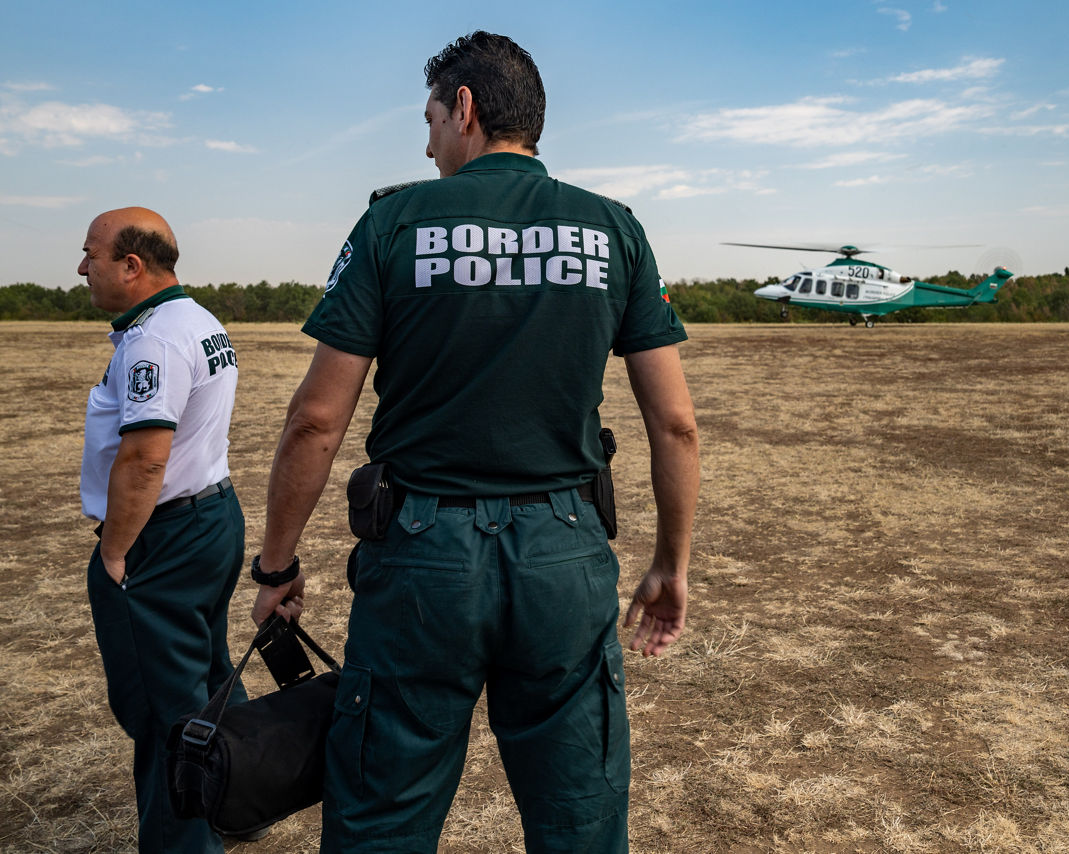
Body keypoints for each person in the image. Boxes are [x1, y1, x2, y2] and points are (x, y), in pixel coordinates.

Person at [250, 30, 699, 854]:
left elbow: (316, 418)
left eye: (429, 122)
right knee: (579, 814)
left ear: (464, 108)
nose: (427, 147)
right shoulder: (614, 229)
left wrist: (276, 566)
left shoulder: (393, 223)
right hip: (564, 553)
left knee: (383, 813)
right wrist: (671, 563)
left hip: (422, 558)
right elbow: (676, 423)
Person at [78, 207, 247, 853]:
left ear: (131, 265)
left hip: (166, 535)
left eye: (91, 253)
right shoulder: (197, 319)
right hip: (209, 516)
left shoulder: (156, 339)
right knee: (209, 677)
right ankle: (244, 801)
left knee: (162, 707)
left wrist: (115, 551)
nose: (82, 267)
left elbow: (147, 456)